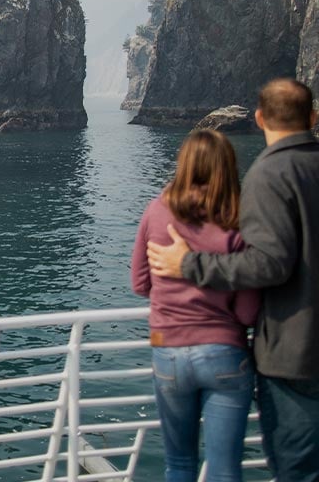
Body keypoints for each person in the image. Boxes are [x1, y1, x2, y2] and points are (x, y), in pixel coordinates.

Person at [147, 78, 319, 482]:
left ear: (258, 118)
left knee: (297, 469)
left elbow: (269, 264)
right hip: (248, 355)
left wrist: (190, 265)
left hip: (295, 354)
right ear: (313, 118)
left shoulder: (270, 174)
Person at [131, 129, 260, 482]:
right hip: (225, 354)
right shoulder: (237, 219)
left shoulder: (156, 211)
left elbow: (140, 283)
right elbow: (249, 312)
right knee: (224, 469)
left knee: (179, 464)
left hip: (168, 351)